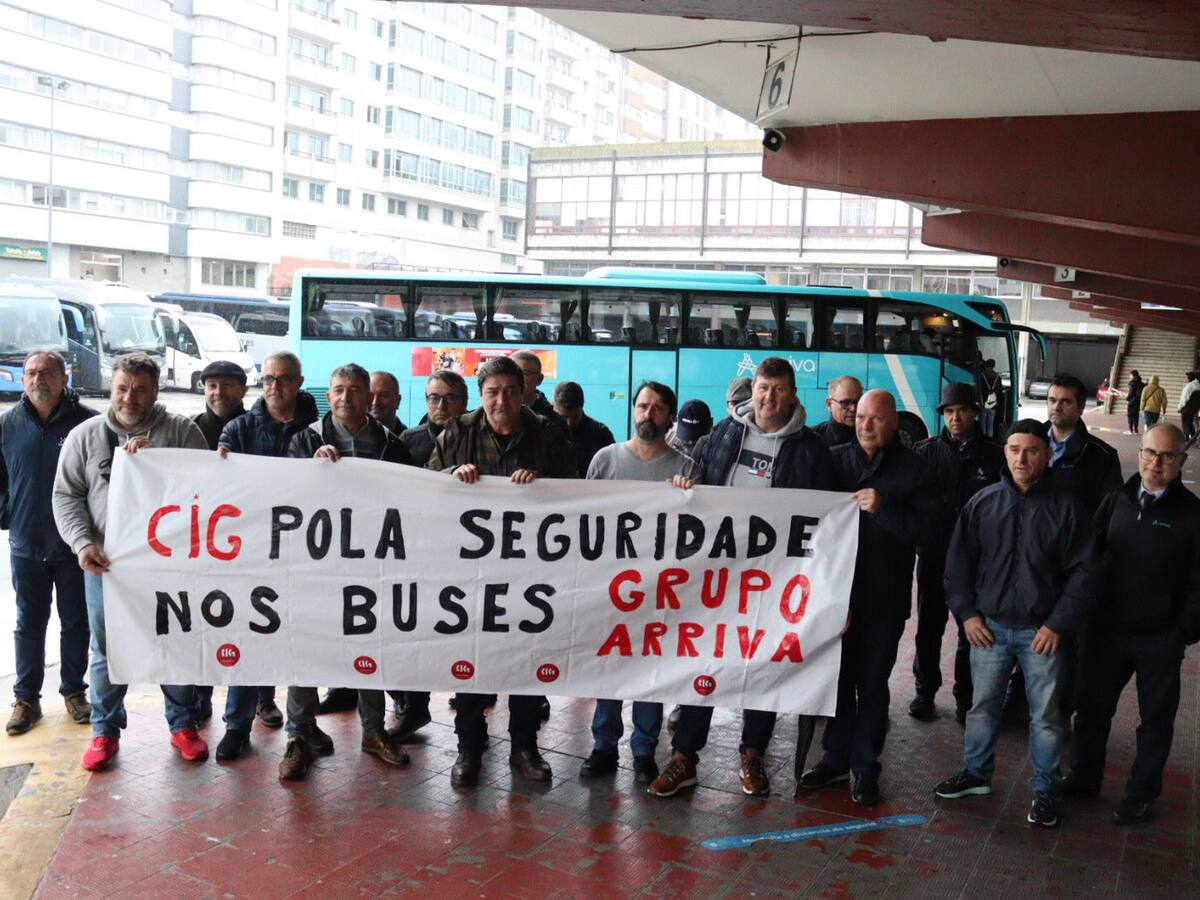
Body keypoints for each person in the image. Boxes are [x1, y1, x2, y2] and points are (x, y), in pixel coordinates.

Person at [649, 358, 838, 799]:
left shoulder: (810, 450)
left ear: (792, 394)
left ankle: (753, 753)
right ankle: (684, 758)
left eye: (777, 389)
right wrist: (684, 484)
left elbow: (827, 515)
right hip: (718, 575)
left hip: (774, 579)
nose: (768, 397)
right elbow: (698, 478)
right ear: (752, 390)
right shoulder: (724, 433)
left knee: (764, 663)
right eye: (761, 387)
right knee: (704, 659)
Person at [935, 420, 1097, 830]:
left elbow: (1085, 573)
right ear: (1004, 452)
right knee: (982, 706)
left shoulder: (1068, 508)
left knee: (1046, 716)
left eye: (1031, 450)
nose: (1021, 458)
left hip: (1042, 634)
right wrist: (968, 615)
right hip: (989, 629)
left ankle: (1045, 790)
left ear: (1046, 455)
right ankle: (975, 773)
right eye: (1014, 449)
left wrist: (1057, 624)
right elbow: (957, 566)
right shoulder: (983, 503)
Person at [51, 353, 209, 772]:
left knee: (174, 642)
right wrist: (82, 544)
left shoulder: (181, 431)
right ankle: (104, 731)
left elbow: (208, 491)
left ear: (155, 391)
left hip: (169, 566)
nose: (130, 397)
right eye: (123, 388)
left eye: (140, 389)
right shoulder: (85, 436)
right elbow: (66, 496)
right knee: (106, 648)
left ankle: (183, 724)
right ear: (111, 388)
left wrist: (161, 465)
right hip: (107, 566)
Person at [428, 355, 578, 787]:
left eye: (510, 391)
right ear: (481, 395)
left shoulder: (548, 434)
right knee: (472, 661)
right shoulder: (458, 432)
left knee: (527, 660)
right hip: (471, 574)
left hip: (532, 573)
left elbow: (574, 488)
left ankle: (525, 748)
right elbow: (424, 486)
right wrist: (452, 475)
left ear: (524, 393)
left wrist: (544, 486)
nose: (501, 400)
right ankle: (469, 749)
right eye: (492, 392)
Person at [800, 390, 940, 806]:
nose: (865, 424)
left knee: (873, 684)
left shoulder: (916, 470)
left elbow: (929, 533)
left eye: (876, 419)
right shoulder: (835, 460)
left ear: (894, 423)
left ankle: (865, 766)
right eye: (860, 416)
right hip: (835, 598)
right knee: (838, 681)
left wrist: (884, 509)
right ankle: (835, 757)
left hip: (883, 597)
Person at [278, 363, 412, 781]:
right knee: (306, 647)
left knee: (369, 645)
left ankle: (373, 731)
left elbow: (412, 495)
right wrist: (309, 470)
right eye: (338, 389)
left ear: (369, 396)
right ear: (328, 394)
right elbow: (282, 496)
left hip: (373, 563)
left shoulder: (391, 443)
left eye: (355, 390)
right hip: (316, 565)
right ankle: (298, 736)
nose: (345, 398)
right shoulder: (305, 440)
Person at [1064, 424, 1200, 825]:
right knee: (1090, 710)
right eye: (1149, 453)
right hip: (1106, 631)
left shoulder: (1193, 516)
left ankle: (1141, 794)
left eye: (1166, 456)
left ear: (1181, 462)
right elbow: (1090, 552)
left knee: (1155, 722)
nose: (1155, 463)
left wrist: (1180, 632)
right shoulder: (1118, 499)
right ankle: (1085, 778)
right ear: (1139, 453)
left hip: (1159, 638)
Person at [580, 381, 690, 786]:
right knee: (609, 663)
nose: (649, 414)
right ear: (634, 409)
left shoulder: (686, 468)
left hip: (661, 586)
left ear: (669, 417)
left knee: (650, 666)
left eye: (658, 409)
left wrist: (690, 496)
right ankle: (603, 745)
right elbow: (584, 519)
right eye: (643, 406)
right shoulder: (605, 460)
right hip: (610, 584)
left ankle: (644, 750)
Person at [218, 351, 319, 732]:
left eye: (284, 379)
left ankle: (303, 725)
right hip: (254, 547)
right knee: (248, 630)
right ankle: (238, 724)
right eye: (269, 379)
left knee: (301, 633)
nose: (276, 386)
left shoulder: (318, 430)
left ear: (299, 382)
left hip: (305, 548)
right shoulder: (239, 429)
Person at [0, 351, 95, 735]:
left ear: (64, 377)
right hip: (26, 545)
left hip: (75, 546)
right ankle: (26, 699)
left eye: (48, 373)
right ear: (23, 379)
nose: (39, 379)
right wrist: (7, 513)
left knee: (76, 623)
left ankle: (74, 692)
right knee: (29, 624)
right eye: (32, 373)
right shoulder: (8, 425)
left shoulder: (87, 423)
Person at [911, 383, 1005, 724]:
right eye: (949, 412)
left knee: (973, 629)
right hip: (935, 554)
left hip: (977, 561)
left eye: (961, 410)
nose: (955, 417)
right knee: (929, 627)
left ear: (975, 413)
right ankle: (924, 693)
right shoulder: (926, 452)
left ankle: (966, 697)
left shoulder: (995, 455)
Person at [190, 360, 248, 726]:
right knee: (203, 625)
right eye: (211, 385)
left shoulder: (254, 427)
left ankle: (253, 704)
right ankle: (201, 697)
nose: (219, 392)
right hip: (202, 546)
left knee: (249, 626)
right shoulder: (188, 429)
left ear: (242, 389)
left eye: (227, 385)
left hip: (248, 544)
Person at [400, 369, 469, 468]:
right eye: (434, 398)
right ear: (427, 401)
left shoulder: (478, 438)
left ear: (464, 402)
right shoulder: (409, 440)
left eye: (450, 398)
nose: (441, 406)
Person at [552, 380, 615, 475]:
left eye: (575, 417)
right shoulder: (546, 432)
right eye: (564, 417)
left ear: (582, 405)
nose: (569, 423)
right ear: (554, 406)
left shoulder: (601, 434)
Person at [511, 350, 566, 428]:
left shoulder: (554, 422)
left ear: (539, 379)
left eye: (525, 373)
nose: (517, 378)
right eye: (513, 373)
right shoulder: (497, 413)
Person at [811, 375, 863, 448]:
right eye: (845, 403)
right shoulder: (810, 439)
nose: (853, 408)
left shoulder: (873, 437)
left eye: (858, 402)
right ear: (829, 404)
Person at [666, 399, 712, 470]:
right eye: (685, 441)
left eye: (696, 440)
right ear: (677, 421)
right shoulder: (667, 437)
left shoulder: (716, 444)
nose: (690, 442)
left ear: (711, 424)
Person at [369, 370, 407, 435]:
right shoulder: (352, 437)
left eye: (383, 395)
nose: (375, 402)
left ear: (398, 401)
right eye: (370, 395)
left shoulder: (408, 442)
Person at [977, 359, 1003, 438]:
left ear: (985, 365)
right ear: (994, 366)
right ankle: (990, 441)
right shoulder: (997, 377)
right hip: (993, 403)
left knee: (982, 425)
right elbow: (1000, 390)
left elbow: (979, 389)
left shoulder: (982, 376)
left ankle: (983, 441)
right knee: (990, 425)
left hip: (983, 403)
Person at [1177, 371, 1199, 449]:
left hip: (1186, 408)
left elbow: (1184, 398)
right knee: (1190, 423)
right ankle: (1193, 438)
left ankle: (1187, 439)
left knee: (1185, 424)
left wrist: (1180, 407)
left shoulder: (1189, 386)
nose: (1187, 378)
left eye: (1188, 377)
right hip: (1194, 409)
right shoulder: (1198, 386)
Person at [1126, 370, 1144, 435]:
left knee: (1130, 416)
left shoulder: (1132, 383)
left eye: (1130, 375)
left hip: (1132, 402)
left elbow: (1131, 393)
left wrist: (1127, 398)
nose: (1129, 376)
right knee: (1136, 416)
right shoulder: (1140, 383)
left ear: (1133, 375)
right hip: (1138, 402)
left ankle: (1130, 430)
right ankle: (1136, 430)